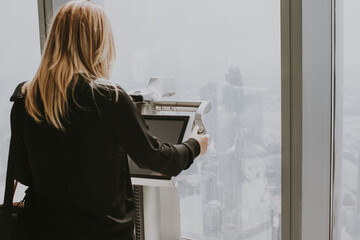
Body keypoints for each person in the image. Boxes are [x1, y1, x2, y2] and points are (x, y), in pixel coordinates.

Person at [3, 1, 209, 239]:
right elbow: (157, 159)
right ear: (99, 42)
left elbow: (23, 173)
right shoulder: (107, 97)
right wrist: (195, 145)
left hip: (42, 230)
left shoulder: (25, 98)